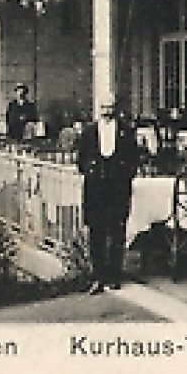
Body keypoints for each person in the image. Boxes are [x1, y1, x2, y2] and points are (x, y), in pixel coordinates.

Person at [76, 101, 140, 294]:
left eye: (110, 107)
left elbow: (133, 158)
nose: (107, 111)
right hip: (96, 188)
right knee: (96, 231)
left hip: (117, 187)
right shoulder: (89, 132)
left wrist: (124, 174)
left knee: (117, 231)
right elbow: (81, 160)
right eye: (103, 107)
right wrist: (92, 171)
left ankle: (114, 275)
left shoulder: (125, 131)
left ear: (116, 109)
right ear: (99, 109)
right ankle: (98, 276)